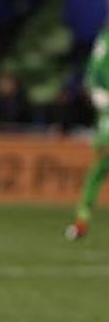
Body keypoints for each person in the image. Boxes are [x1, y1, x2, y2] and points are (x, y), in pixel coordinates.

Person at [66, 26, 109, 241]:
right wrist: (101, 97)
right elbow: (93, 73)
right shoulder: (106, 40)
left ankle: (82, 219)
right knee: (101, 163)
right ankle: (82, 218)